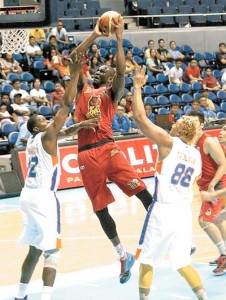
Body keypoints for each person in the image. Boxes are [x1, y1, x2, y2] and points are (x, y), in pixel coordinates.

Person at [71, 16, 153, 284]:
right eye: (96, 70)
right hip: (85, 154)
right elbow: (74, 57)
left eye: (102, 71)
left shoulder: (111, 92)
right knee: (99, 209)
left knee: (142, 191)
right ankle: (121, 254)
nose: (98, 72)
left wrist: (118, 38)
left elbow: (120, 71)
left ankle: (165, 230)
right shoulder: (84, 90)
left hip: (108, 149)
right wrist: (95, 35)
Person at [15, 53, 100, 300]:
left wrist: (80, 127)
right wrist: (74, 74)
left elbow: (61, 131)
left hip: (26, 197)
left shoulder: (34, 140)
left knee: (33, 250)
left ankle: (20, 296)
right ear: (36, 127)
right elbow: (65, 106)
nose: (46, 119)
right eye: (42, 119)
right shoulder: (46, 134)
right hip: (43, 197)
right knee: (53, 251)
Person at [132, 66, 208, 300]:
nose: (171, 123)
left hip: (163, 210)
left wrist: (136, 87)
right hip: (183, 212)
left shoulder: (168, 142)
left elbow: (140, 118)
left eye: (176, 122)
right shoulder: (195, 155)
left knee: (146, 260)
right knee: (182, 263)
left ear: (180, 129)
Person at [186, 111, 226, 276]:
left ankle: (224, 255)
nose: (192, 124)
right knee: (218, 220)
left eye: (195, 122)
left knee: (205, 220)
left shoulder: (208, 141)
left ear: (201, 124)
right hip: (205, 186)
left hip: (216, 185)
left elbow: (223, 164)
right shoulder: (190, 141)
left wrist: (211, 185)